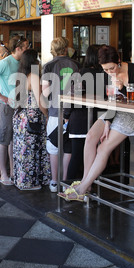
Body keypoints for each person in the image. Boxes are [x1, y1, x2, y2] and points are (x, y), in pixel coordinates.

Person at [59, 45, 134, 202]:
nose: (109, 72)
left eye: (111, 68)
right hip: (115, 111)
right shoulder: (107, 75)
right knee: (91, 136)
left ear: (119, 60)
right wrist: (107, 121)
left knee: (103, 147)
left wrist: (123, 88)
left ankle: (83, 188)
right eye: (105, 70)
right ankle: (86, 182)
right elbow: (111, 102)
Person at [0, 36, 29, 185]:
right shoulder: (5, 62)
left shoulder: (23, 62)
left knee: (13, 140)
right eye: (26, 47)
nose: (27, 49)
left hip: (20, 105)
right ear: (18, 49)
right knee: (3, 139)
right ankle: (3, 174)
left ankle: (13, 171)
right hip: (6, 106)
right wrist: (0, 96)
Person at [42, 37, 80, 192]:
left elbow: (45, 92)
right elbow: (78, 89)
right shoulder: (76, 64)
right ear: (66, 48)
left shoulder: (48, 66)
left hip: (55, 110)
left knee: (53, 146)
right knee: (69, 147)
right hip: (73, 111)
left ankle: (54, 181)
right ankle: (66, 182)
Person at [64, 44, 105, 180]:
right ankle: (89, 187)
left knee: (76, 155)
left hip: (79, 119)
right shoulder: (105, 74)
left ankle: (69, 187)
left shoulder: (81, 73)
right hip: (99, 120)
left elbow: (70, 98)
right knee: (95, 156)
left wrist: (66, 116)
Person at [12, 49, 51, 190]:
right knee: (31, 151)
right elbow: (40, 100)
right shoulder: (33, 76)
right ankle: (28, 183)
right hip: (32, 116)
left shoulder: (21, 75)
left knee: (21, 150)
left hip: (20, 116)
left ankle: (20, 180)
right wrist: (47, 115)